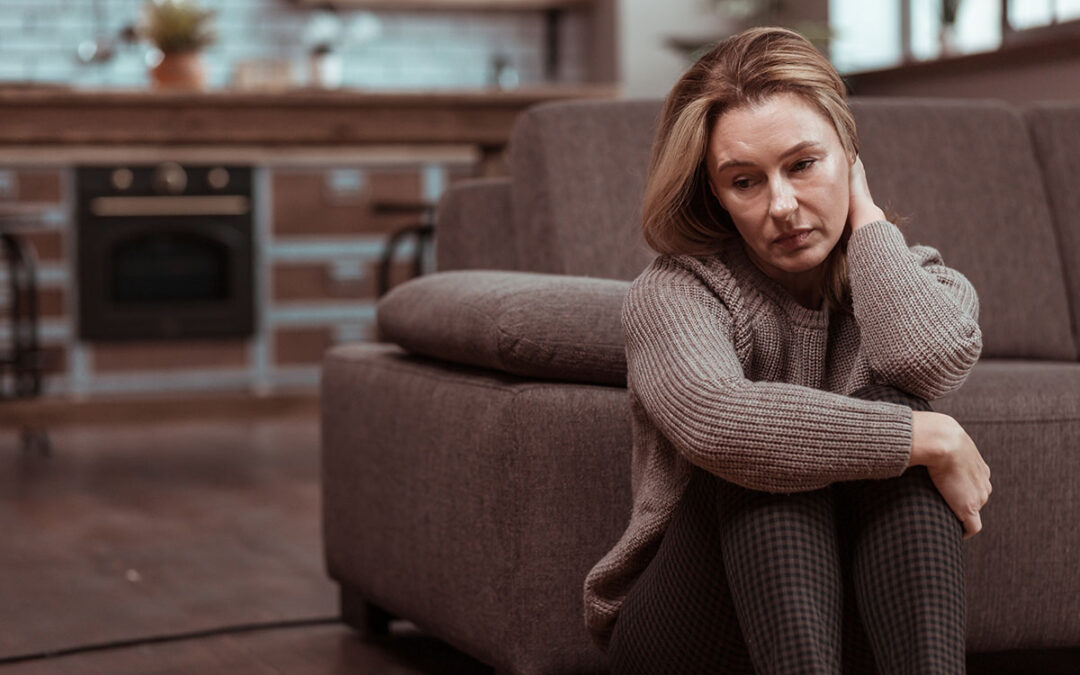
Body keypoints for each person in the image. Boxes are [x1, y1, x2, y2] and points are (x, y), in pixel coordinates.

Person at [583, 26, 992, 674]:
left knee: (891, 412)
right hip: (688, 627)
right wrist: (931, 437)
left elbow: (932, 360)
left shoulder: (919, 278)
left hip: (861, 611)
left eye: (804, 164)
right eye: (745, 181)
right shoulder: (676, 292)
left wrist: (868, 222)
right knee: (771, 453)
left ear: (848, 155)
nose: (782, 205)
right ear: (713, 193)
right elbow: (722, 421)